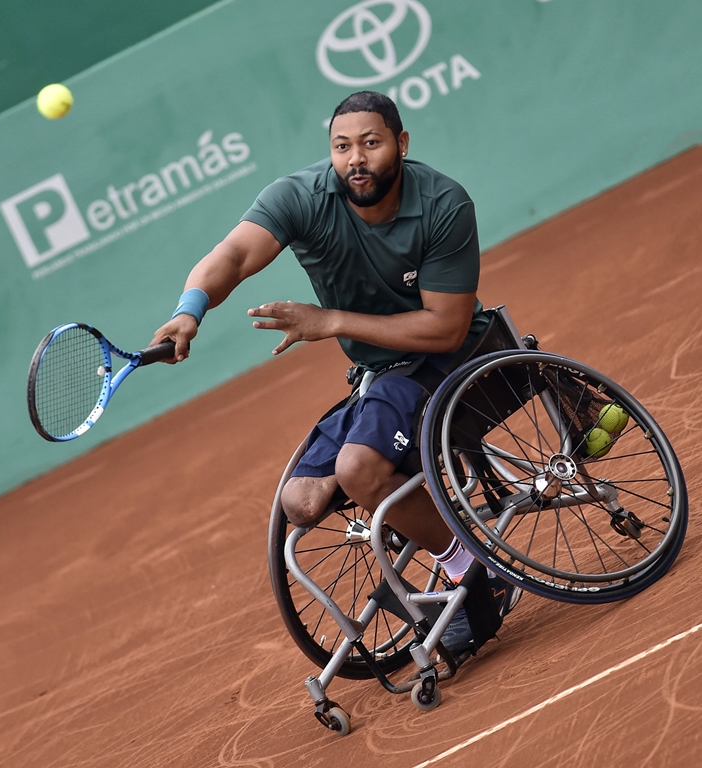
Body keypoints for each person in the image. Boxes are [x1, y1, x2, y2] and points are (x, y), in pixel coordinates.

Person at [150, 92, 519, 661]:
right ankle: (412, 513)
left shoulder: (444, 202)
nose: (356, 159)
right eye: (342, 147)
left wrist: (332, 321)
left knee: (358, 468)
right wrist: (189, 310)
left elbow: (445, 329)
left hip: (447, 360)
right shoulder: (300, 198)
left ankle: (477, 571)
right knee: (301, 501)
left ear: (401, 143)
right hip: (378, 375)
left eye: (371, 143)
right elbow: (233, 255)